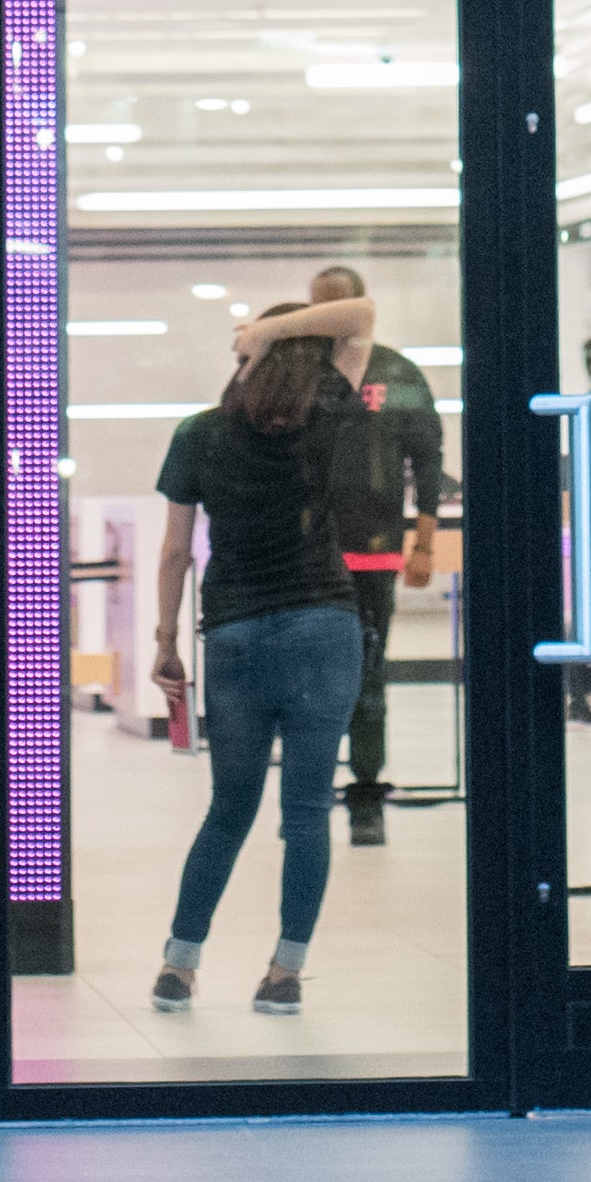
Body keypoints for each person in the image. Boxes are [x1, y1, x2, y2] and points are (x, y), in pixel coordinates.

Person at [142, 299, 369, 1016]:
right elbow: (360, 318)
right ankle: (285, 975)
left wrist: (166, 640)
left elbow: (177, 550)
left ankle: (178, 968)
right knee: (306, 813)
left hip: (234, 636)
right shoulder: (326, 413)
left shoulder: (198, 434)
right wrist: (276, 333)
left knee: (227, 811)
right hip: (322, 628)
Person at [300, 264, 443, 849]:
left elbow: (428, 459)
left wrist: (425, 542)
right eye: (319, 307)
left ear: (361, 306)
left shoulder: (395, 373)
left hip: (374, 553)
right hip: (305, 555)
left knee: (367, 678)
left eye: (339, 307)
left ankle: (365, 794)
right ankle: (307, 793)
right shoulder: (298, 372)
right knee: (307, 677)